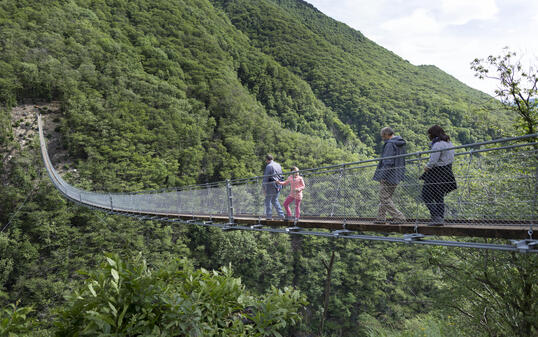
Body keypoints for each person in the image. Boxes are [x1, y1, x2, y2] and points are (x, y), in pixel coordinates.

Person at [421, 125, 457, 226]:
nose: (429, 136)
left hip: (436, 172)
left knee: (425, 195)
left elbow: (433, 160)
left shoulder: (437, 145)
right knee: (439, 195)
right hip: (447, 171)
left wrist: (427, 167)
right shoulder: (449, 143)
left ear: (433, 134)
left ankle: (436, 217)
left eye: (429, 134)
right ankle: (440, 217)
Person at [372, 127, 407, 224]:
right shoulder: (400, 143)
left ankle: (399, 217)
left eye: (383, 136)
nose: (383, 138)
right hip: (397, 174)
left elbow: (387, 162)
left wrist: (382, 176)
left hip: (388, 175)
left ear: (387, 135)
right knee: (386, 197)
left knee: (384, 197)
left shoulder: (390, 144)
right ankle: (381, 217)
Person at [262, 154, 285, 219]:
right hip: (278, 185)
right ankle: (281, 215)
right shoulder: (278, 165)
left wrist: (264, 188)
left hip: (270, 185)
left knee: (267, 200)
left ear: (267, 159)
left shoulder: (269, 166)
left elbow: (266, 178)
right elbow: (281, 175)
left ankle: (269, 216)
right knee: (274, 200)